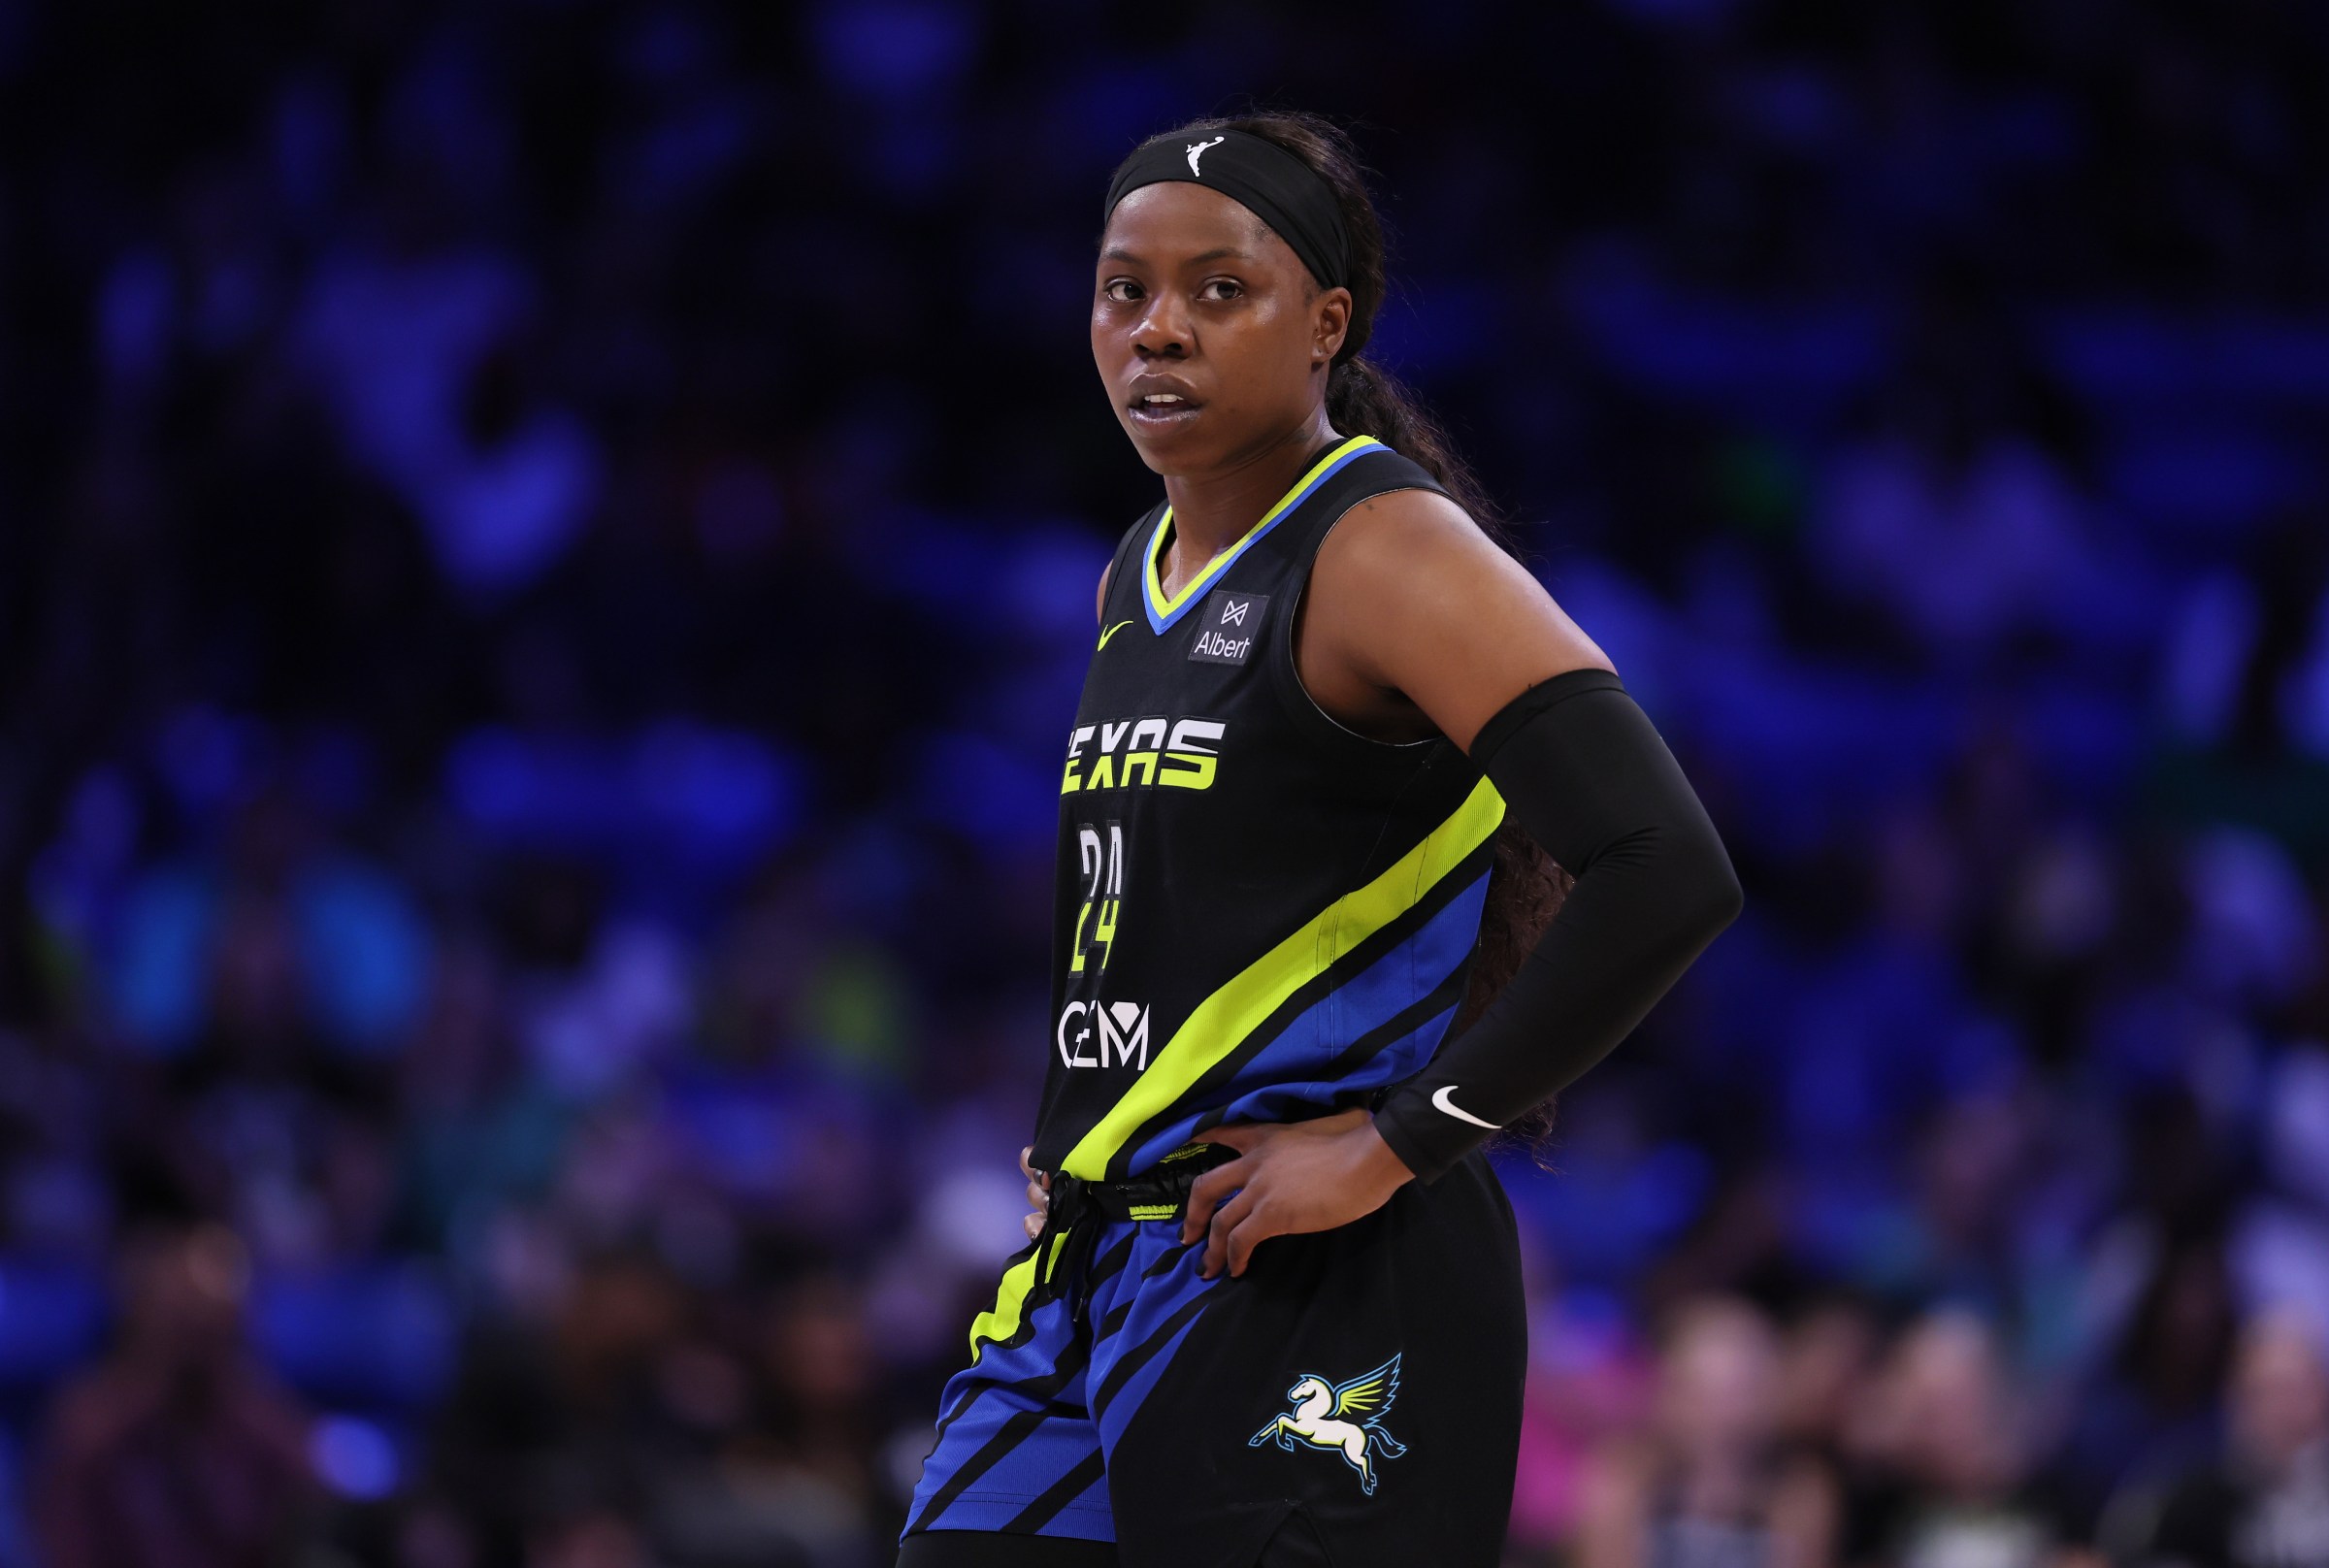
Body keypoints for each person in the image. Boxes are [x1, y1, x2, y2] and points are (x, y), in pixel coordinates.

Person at [896, 110, 1744, 1568]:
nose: (1160, 330)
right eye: (1125, 290)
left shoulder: (1381, 547)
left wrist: (1401, 1142)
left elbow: (1668, 865)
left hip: (1324, 1271)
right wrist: (1086, 1134)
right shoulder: (1137, 577)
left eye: (1221, 290)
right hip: (1104, 1264)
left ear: (1323, 325)